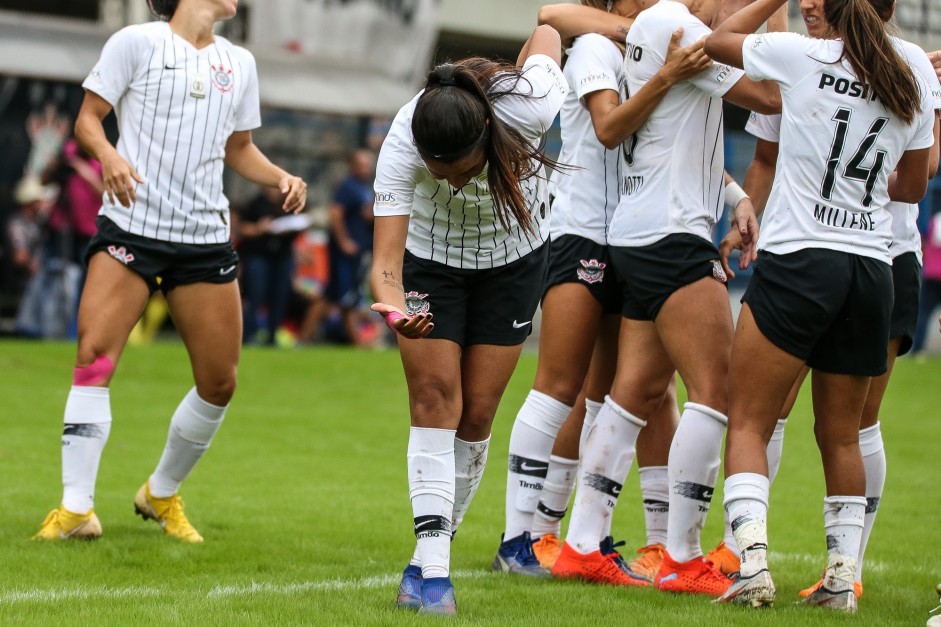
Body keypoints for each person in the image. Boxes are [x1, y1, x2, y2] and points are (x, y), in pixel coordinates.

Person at [33, 0, 307, 543]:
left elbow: (240, 149)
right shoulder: (135, 43)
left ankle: (159, 492)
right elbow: (87, 121)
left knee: (220, 382)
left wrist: (278, 177)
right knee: (93, 359)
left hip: (203, 240)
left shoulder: (240, 63)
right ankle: (75, 509)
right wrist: (108, 157)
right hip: (131, 229)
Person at [705, 0, 934, 610]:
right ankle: (841, 580)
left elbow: (718, 40)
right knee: (843, 437)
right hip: (873, 267)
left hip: (802, 259)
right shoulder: (913, 66)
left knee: (749, 419)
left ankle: (751, 567)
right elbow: (913, 187)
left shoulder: (801, 55)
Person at [553, 0, 779, 598]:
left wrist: (737, 200)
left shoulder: (668, 26)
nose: (729, 9)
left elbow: (678, 127)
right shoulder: (675, 24)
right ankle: (682, 557)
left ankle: (579, 546)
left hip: (641, 230)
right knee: (719, 390)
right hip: (671, 234)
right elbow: (770, 96)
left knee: (635, 394)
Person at [498, 0, 709, 584]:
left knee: (617, 393)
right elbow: (609, 129)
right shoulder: (594, 47)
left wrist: (734, 190)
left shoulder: (639, 54)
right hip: (581, 229)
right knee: (558, 384)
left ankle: (581, 537)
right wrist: (662, 66)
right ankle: (521, 535)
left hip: (628, 235)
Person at [369, 25, 567, 615]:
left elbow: (550, 31)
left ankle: (429, 554)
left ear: (486, 133)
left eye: (459, 168)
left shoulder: (528, 106)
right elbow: (384, 265)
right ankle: (435, 578)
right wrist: (395, 312)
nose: (450, 181)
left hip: (516, 258)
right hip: (430, 263)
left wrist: (534, 53)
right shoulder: (404, 139)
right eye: (438, 172)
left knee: (477, 414)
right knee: (435, 400)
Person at [236, 185, 305, 346]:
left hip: (282, 257)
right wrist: (259, 228)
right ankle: (248, 335)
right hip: (259, 256)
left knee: (279, 297)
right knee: (255, 295)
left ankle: (272, 336)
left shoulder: (289, 204)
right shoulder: (255, 204)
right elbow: (242, 228)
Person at [325, 149, 376, 346]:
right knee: (347, 297)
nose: (365, 168)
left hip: (360, 250)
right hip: (346, 253)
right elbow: (335, 213)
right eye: (361, 164)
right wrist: (344, 241)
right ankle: (357, 343)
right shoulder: (348, 186)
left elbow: (364, 214)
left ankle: (304, 336)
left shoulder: (366, 187)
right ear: (353, 166)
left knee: (331, 294)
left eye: (367, 164)